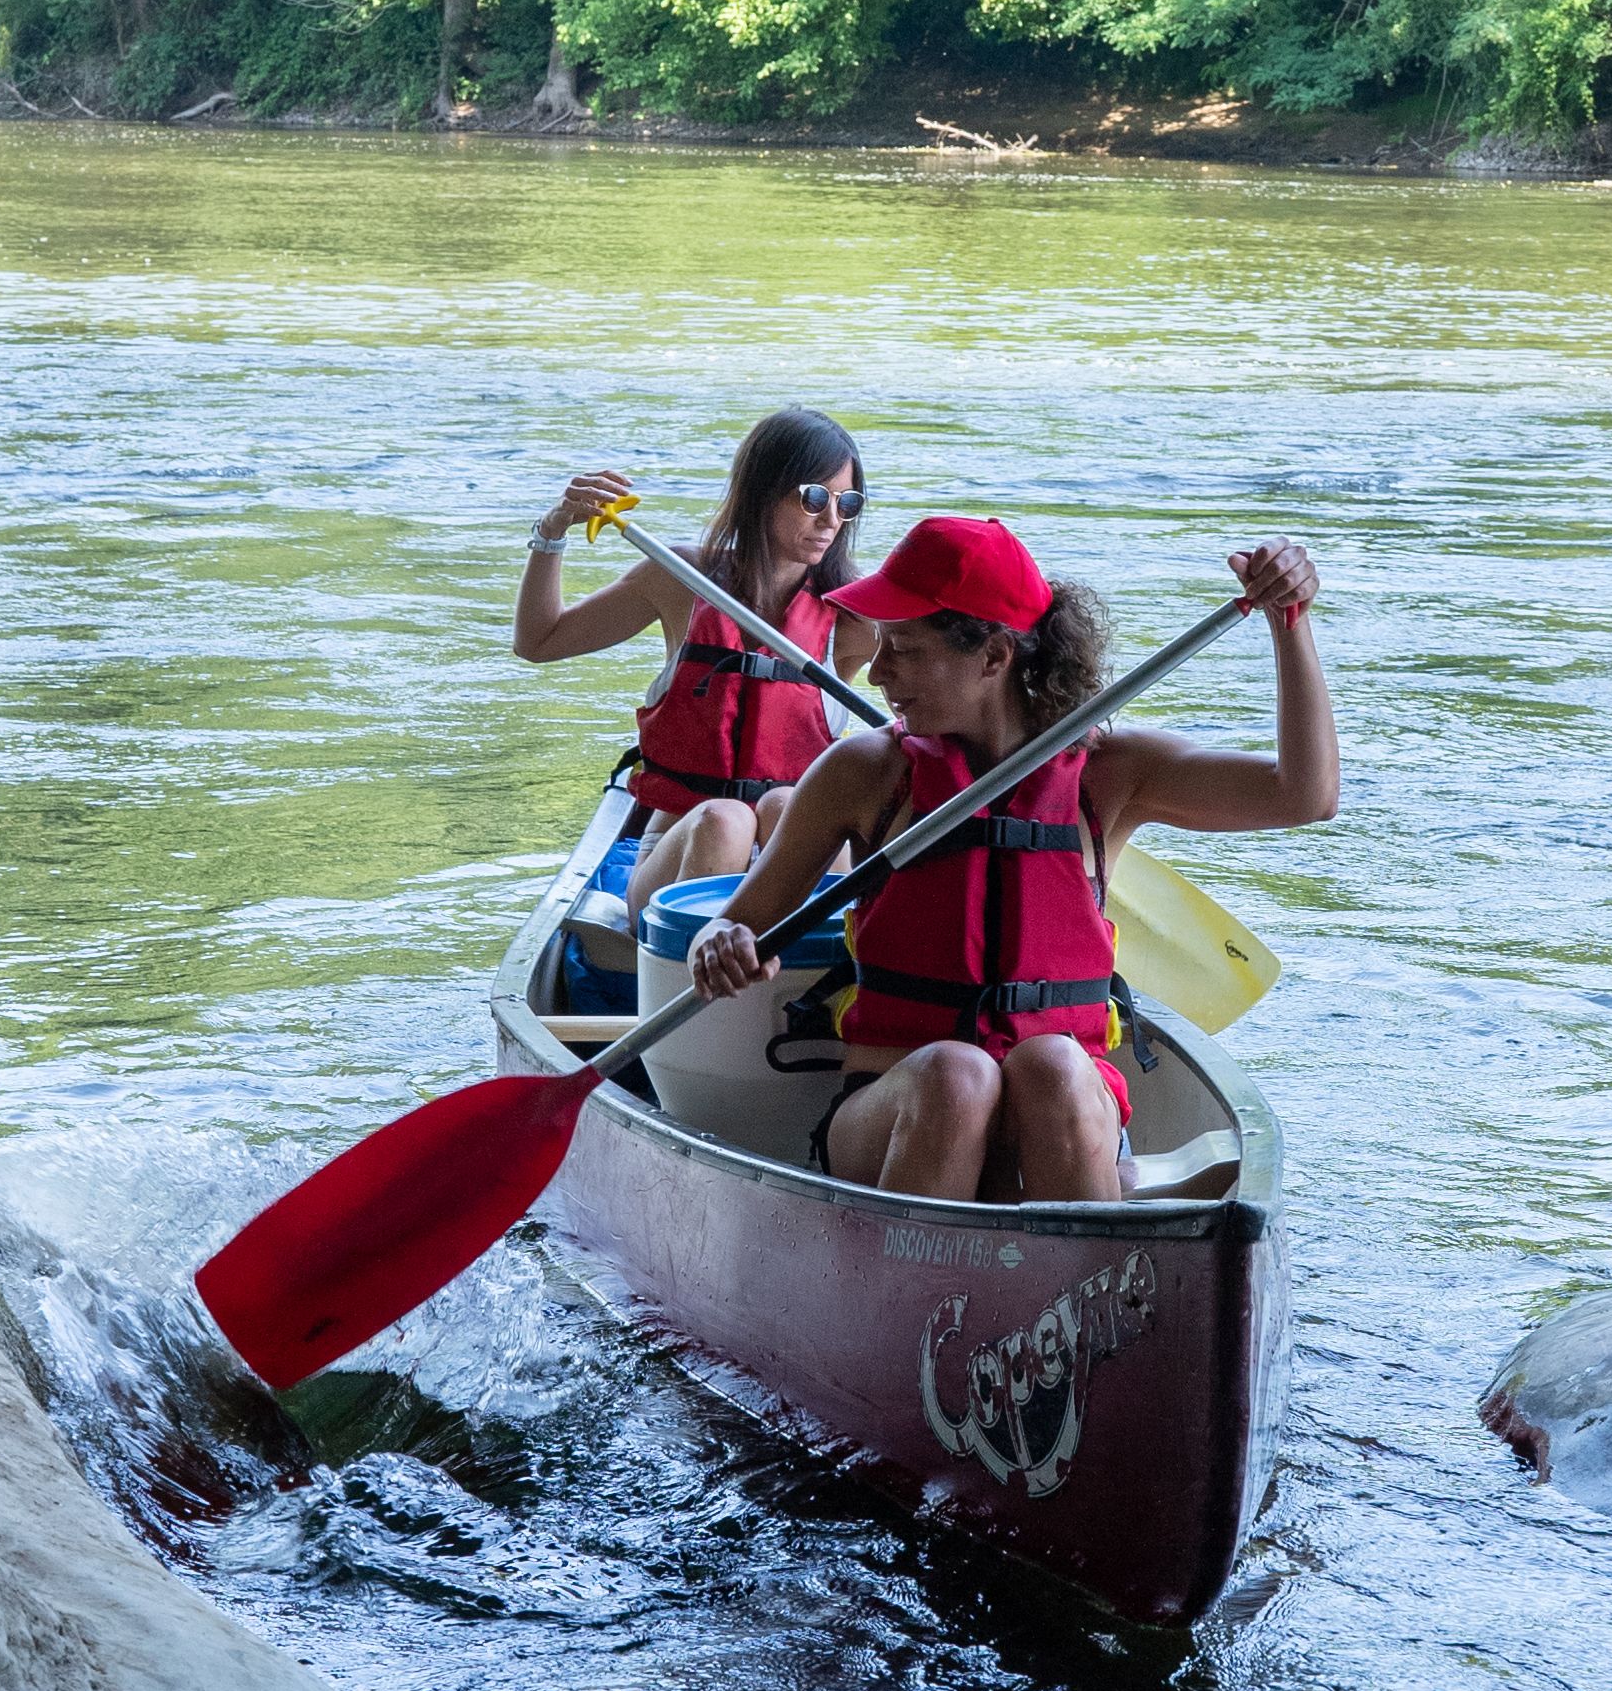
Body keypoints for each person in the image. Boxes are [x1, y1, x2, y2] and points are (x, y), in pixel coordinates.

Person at [687, 512, 1334, 1202]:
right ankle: (914, 1292)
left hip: (1059, 1115)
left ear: (994, 657)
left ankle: (1092, 1282)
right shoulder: (863, 771)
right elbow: (736, 924)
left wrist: (1289, 624)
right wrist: (720, 942)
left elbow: (1303, 796)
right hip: (895, 1106)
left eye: (903, 647)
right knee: (957, 1076)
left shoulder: (1107, 774)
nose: (877, 672)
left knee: (1053, 1061)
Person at [513, 408, 879, 913]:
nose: (831, 520)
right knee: (725, 819)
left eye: (848, 503)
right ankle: (701, 975)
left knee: (785, 805)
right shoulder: (680, 578)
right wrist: (552, 532)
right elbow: (540, 641)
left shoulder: (855, 616)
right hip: (681, 849)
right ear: (762, 491)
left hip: (793, 856)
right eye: (815, 498)